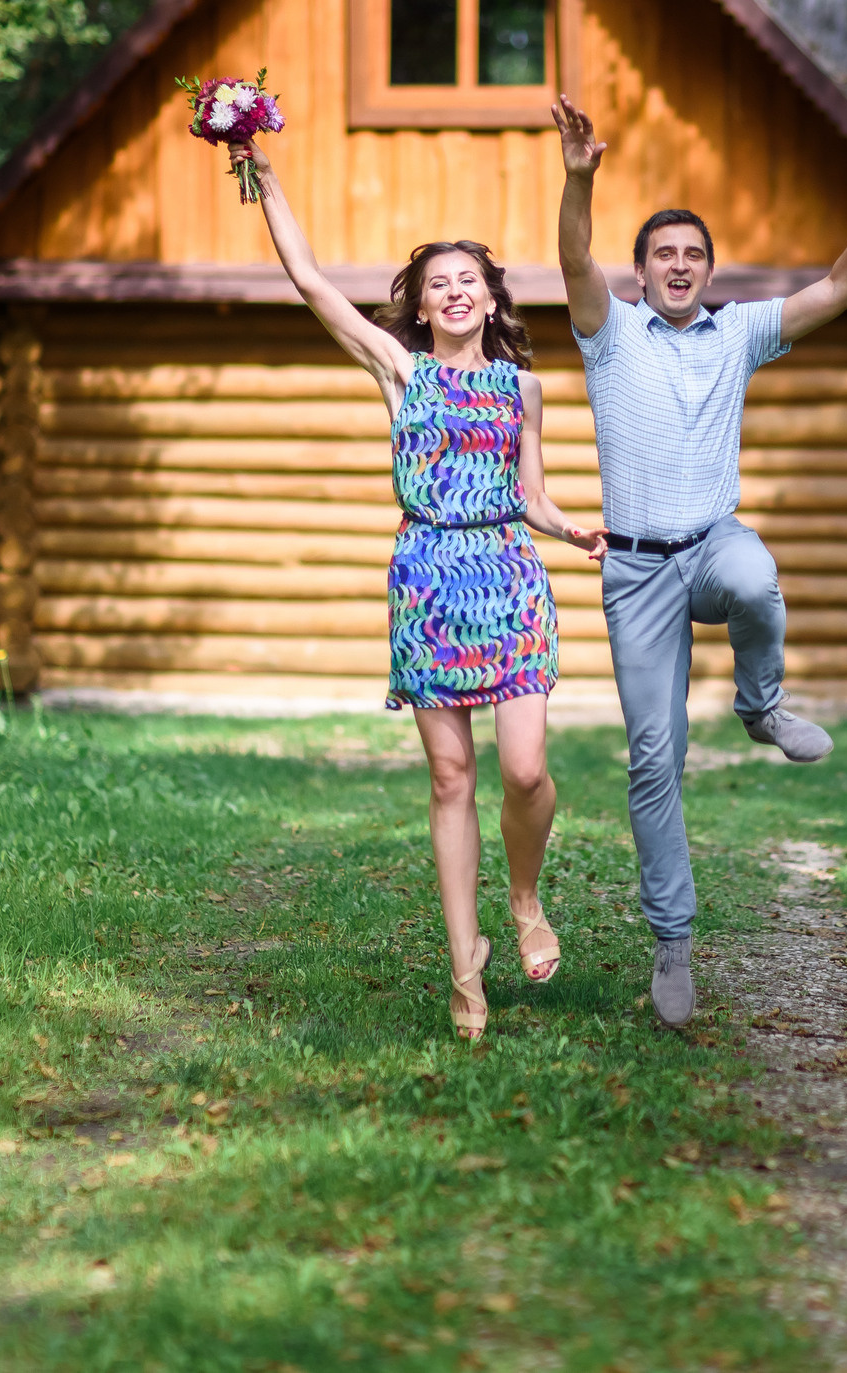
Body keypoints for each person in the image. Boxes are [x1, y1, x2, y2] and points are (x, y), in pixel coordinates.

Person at [550, 95, 847, 1028]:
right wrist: (580, 178)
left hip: (713, 545)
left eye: (693, 256)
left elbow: (840, 288)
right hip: (635, 570)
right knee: (653, 757)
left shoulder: (741, 334)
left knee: (757, 578)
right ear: (639, 272)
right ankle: (673, 941)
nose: (679, 266)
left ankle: (760, 707)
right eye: (662, 256)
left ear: (707, 271)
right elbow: (569, 257)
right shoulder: (610, 337)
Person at [246, 136, 607, 1041]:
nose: (454, 291)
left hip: (509, 576)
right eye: (438, 281)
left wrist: (572, 528)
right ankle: (464, 970)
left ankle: (524, 897)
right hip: (429, 578)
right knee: (452, 776)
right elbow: (312, 282)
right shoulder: (399, 370)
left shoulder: (522, 387)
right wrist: (265, 173)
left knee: (525, 769)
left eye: (468, 280)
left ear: (490, 297)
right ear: (423, 302)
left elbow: (529, 493)